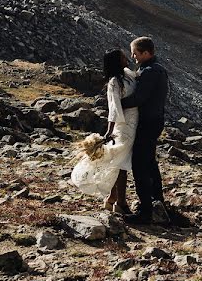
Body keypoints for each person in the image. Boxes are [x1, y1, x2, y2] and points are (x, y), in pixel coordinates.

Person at [70, 49, 138, 214]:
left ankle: (112, 199)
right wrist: (110, 130)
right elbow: (113, 107)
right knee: (121, 164)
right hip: (123, 126)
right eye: (122, 57)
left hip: (134, 123)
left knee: (121, 163)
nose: (126, 58)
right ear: (116, 61)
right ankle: (120, 203)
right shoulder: (115, 82)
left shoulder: (129, 75)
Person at [120, 36, 169, 224]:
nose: (133, 57)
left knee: (140, 164)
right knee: (149, 162)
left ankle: (146, 210)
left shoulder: (149, 72)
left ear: (146, 53)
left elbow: (139, 98)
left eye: (135, 53)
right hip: (155, 120)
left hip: (147, 122)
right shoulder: (157, 70)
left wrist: (117, 103)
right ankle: (157, 201)